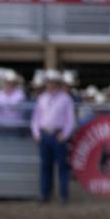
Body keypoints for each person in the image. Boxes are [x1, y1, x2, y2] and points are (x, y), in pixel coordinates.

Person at [31, 70, 75, 204]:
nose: (50, 85)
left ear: (57, 84)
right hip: (45, 135)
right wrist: (36, 133)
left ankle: (63, 196)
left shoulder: (66, 98)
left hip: (58, 135)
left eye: (52, 82)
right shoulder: (42, 98)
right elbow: (36, 118)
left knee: (62, 167)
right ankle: (45, 194)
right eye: (48, 82)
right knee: (46, 167)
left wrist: (65, 134)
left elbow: (70, 119)